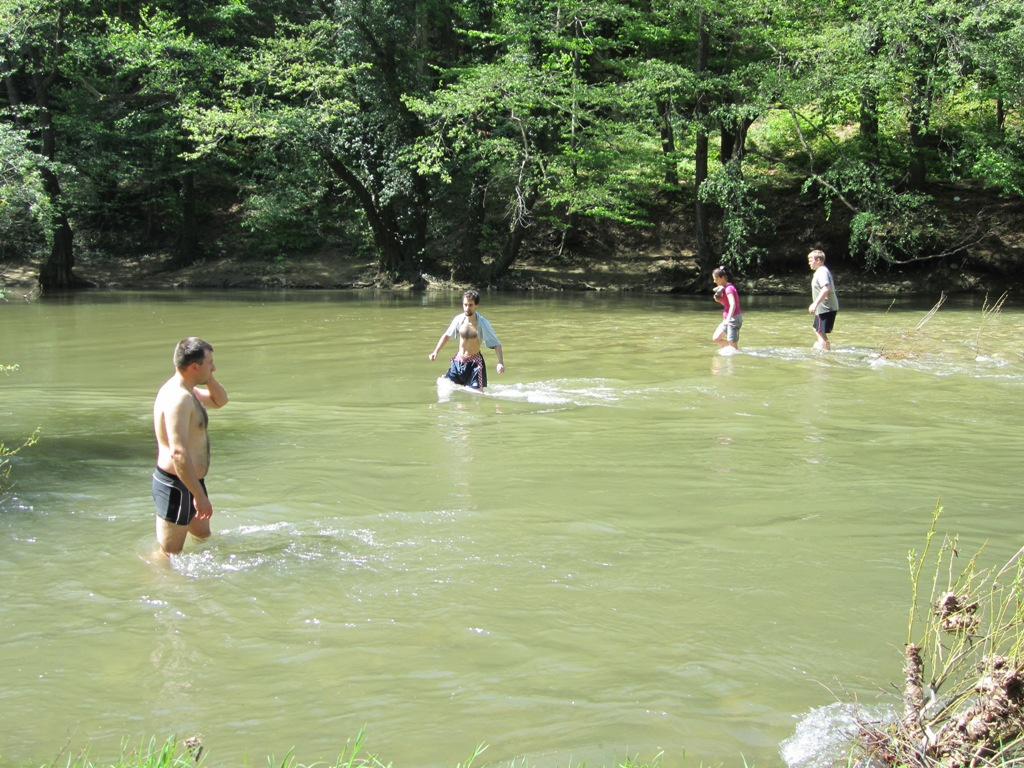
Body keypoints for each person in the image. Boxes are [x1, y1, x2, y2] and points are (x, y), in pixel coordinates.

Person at [151, 337, 229, 556]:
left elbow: (220, 401)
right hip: (176, 485)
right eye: (210, 363)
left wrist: (208, 377)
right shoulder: (179, 398)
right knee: (168, 554)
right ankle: (157, 587)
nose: (214, 367)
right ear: (194, 367)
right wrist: (200, 496)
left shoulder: (189, 391)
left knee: (203, 540)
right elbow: (178, 452)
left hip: (192, 482)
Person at [428, 289, 505, 390]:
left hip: (475, 364)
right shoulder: (458, 320)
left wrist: (500, 363)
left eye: (470, 305)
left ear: (476, 305)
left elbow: (496, 344)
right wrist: (435, 352)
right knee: (443, 387)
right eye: (465, 305)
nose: (467, 308)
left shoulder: (483, 323)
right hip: (458, 362)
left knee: (477, 396)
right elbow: (446, 335)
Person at [807, 249, 839, 350]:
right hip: (824, 308)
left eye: (811, 260)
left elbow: (826, 288)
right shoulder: (820, 271)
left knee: (820, 332)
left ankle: (825, 355)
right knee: (816, 329)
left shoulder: (822, 271)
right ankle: (823, 350)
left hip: (826, 308)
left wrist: (815, 304)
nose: (809, 262)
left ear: (818, 260)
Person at [711, 265, 743, 350]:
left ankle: (734, 352)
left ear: (722, 278)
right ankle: (734, 350)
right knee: (716, 338)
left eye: (716, 278)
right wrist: (719, 300)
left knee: (732, 346)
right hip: (727, 319)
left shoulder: (729, 289)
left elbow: (733, 305)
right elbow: (728, 305)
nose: (714, 281)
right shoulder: (724, 288)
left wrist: (728, 319)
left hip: (733, 319)